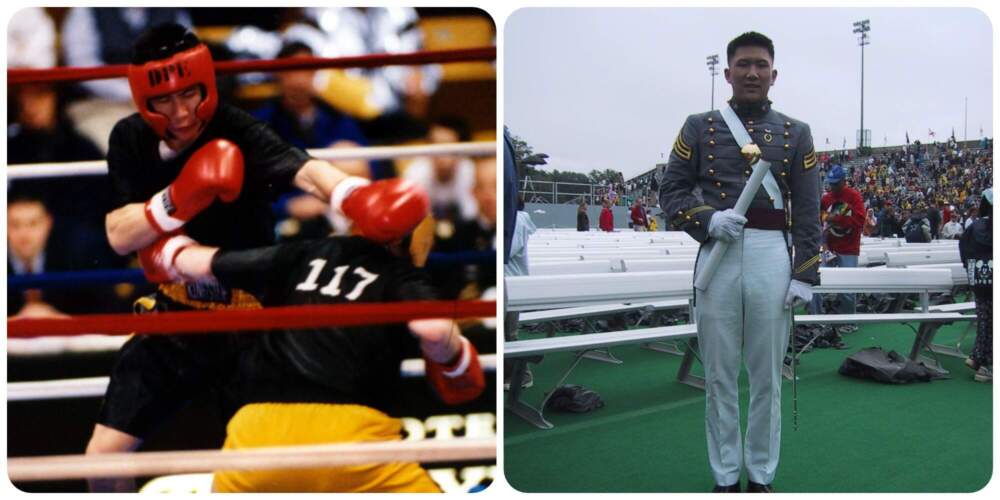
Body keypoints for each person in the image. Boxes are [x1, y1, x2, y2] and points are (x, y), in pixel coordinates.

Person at [85, 24, 429, 492]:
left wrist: (355, 197)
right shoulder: (129, 138)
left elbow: (309, 173)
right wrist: (179, 198)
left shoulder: (238, 130)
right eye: (165, 101)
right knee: (101, 458)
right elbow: (118, 235)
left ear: (207, 82)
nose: (182, 112)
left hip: (253, 327)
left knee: (275, 467)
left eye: (190, 94)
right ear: (144, 99)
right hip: (175, 316)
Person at [135, 221, 486, 491]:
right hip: (348, 440)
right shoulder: (400, 274)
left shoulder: (302, 251)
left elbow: (195, 262)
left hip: (253, 433)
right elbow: (434, 331)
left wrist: (166, 243)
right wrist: (454, 358)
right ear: (416, 242)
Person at [659, 31, 820, 493]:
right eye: (744, 65)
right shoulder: (697, 126)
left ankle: (761, 475)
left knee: (768, 375)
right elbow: (670, 191)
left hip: (772, 253)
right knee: (719, 375)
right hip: (718, 251)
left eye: (761, 65)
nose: (753, 73)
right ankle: (726, 477)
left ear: (774, 74)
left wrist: (805, 273)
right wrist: (708, 220)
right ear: (727, 73)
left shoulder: (797, 132)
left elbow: (808, 209)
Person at [810, 164, 864, 334]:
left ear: (843, 181)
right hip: (829, 247)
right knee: (817, 281)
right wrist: (829, 219)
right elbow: (820, 218)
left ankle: (848, 320)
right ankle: (816, 320)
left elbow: (860, 221)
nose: (832, 187)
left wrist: (837, 219)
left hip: (849, 248)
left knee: (848, 288)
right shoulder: (826, 198)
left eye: (835, 183)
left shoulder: (854, 197)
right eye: (831, 183)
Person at [959, 188, 991, 383]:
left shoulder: (976, 226)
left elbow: (964, 250)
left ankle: (978, 357)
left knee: (985, 320)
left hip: (980, 280)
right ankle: (986, 365)